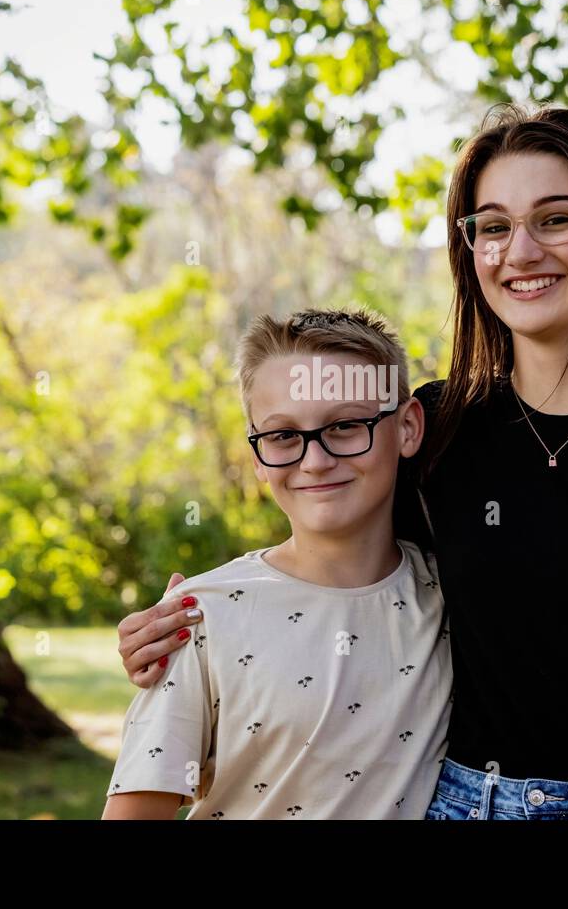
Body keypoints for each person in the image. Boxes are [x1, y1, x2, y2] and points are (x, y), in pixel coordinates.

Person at [118, 104, 568, 819]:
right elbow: (330, 551)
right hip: (467, 803)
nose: (519, 251)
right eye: (493, 227)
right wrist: (190, 636)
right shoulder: (436, 426)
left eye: (555, 219)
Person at [103, 309, 450, 819]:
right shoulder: (199, 616)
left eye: (347, 425)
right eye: (283, 436)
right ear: (257, 454)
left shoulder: (451, 594)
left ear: (407, 427)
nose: (315, 460)